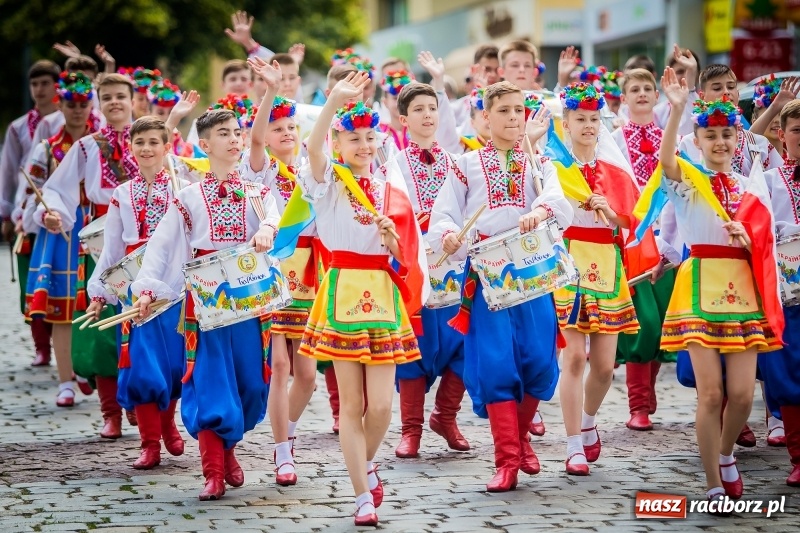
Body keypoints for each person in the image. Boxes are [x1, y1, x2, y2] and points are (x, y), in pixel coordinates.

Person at [298, 71, 427, 526]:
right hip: (341, 293)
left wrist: (392, 241)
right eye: (353, 138)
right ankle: (361, 496)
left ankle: (366, 463)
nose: (363, 146)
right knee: (351, 405)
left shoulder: (391, 189)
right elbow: (312, 150)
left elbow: (406, 256)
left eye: (369, 137)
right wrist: (333, 100)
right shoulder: (329, 182)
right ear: (339, 142)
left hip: (382, 296)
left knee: (383, 405)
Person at [430, 81, 571, 491]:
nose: (513, 118)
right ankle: (506, 459)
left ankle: (522, 437)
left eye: (518, 111)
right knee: (495, 364)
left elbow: (558, 202)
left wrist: (540, 211)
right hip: (489, 275)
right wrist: (450, 236)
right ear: (485, 117)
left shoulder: (539, 160)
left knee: (540, 362)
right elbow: (444, 214)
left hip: (533, 271)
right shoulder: (465, 165)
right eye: (504, 111)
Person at [133, 107, 279, 500]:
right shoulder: (188, 197)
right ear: (204, 144)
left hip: (250, 305)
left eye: (237, 132)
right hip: (207, 307)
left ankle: (228, 449)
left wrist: (266, 230)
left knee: (250, 386)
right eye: (224, 134)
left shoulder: (259, 192)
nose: (234, 139)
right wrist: (147, 287)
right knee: (211, 383)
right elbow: (162, 247)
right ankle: (213, 469)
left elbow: (275, 221)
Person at [657, 66, 783, 507]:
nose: (721, 143)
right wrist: (675, 111)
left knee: (744, 395)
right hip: (699, 285)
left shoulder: (754, 185)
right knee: (711, 393)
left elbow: (765, 240)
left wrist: (751, 239)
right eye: (711, 136)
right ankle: (713, 480)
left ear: (737, 138)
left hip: (742, 288)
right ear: (699, 140)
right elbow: (666, 162)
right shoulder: (689, 183)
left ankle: (727, 451)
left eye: (727, 135)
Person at [552, 82, 652, 476]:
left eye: (595, 119)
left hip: (607, 264)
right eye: (580, 119)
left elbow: (633, 218)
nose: (589, 126)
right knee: (574, 356)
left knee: (606, 366)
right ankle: (573, 444)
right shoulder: (554, 166)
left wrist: (611, 213)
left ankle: (589, 418)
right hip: (568, 262)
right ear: (567, 123)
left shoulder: (615, 169)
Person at [37, 73, 139, 434]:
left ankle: (138, 405)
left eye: (120, 97)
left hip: (144, 238)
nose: (114, 102)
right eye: (107, 97)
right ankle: (110, 412)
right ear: (99, 102)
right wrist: (52, 213)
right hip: (100, 238)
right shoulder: (87, 147)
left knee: (142, 323)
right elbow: (56, 189)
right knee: (100, 327)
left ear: (133, 100)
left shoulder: (150, 140)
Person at [85, 116, 188, 469]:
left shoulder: (181, 188)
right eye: (139, 142)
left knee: (174, 364)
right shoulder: (121, 194)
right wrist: (99, 292)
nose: (146, 149)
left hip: (172, 287)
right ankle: (149, 443)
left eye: (153, 142)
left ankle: (167, 422)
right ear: (131, 148)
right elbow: (111, 249)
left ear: (166, 147)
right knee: (142, 367)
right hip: (134, 289)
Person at [246, 57, 322, 486]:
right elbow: (255, 139)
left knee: (308, 374)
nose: (286, 133)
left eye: (291, 126)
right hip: (274, 268)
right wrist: (271, 92)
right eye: (278, 128)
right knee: (278, 364)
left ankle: (287, 435)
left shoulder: (314, 168)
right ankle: (281, 452)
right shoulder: (262, 169)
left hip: (311, 270)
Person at [389, 80, 470, 459]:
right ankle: (411, 431)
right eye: (418, 109)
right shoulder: (393, 164)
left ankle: (446, 415)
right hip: (412, 264)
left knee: (462, 344)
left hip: (452, 264)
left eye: (432, 108)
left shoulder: (458, 162)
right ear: (403, 119)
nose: (427, 115)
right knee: (413, 349)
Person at [610, 68, 681, 431]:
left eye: (647, 89)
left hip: (668, 238)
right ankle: (638, 405)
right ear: (623, 98)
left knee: (662, 322)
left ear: (658, 97)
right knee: (644, 322)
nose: (641, 94)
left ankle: (645, 397)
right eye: (633, 89)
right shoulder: (615, 140)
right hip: (635, 239)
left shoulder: (672, 139)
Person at [21, 72, 98, 405]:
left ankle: (92, 369)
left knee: (98, 303)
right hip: (61, 234)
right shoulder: (47, 148)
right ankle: (65, 380)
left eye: (83, 104)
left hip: (99, 227)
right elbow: (31, 193)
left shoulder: (102, 144)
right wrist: (44, 214)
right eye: (71, 104)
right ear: (60, 105)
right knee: (62, 308)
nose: (77, 110)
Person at [1, 60, 61, 366]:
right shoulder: (18, 127)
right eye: (34, 84)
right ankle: (41, 344)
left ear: (57, 87)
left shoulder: (69, 120)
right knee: (33, 280)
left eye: (45, 84)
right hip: (28, 210)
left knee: (60, 281)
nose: (39, 90)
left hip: (60, 209)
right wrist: (6, 212)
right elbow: (9, 170)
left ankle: (64, 344)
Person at [760, 99, 800, 487]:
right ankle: (797, 454)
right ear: (781, 135)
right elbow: (759, 228)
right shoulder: (770, 180)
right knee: (788, 369)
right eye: (798, 131)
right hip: (788, 291)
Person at [679, 64, 784, 174]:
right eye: (717, 88)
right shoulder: (689, 143)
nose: (726, 92)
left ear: (738, 95)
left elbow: (777, 185)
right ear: (702, 96)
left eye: (731, 87)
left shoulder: (760, 143)